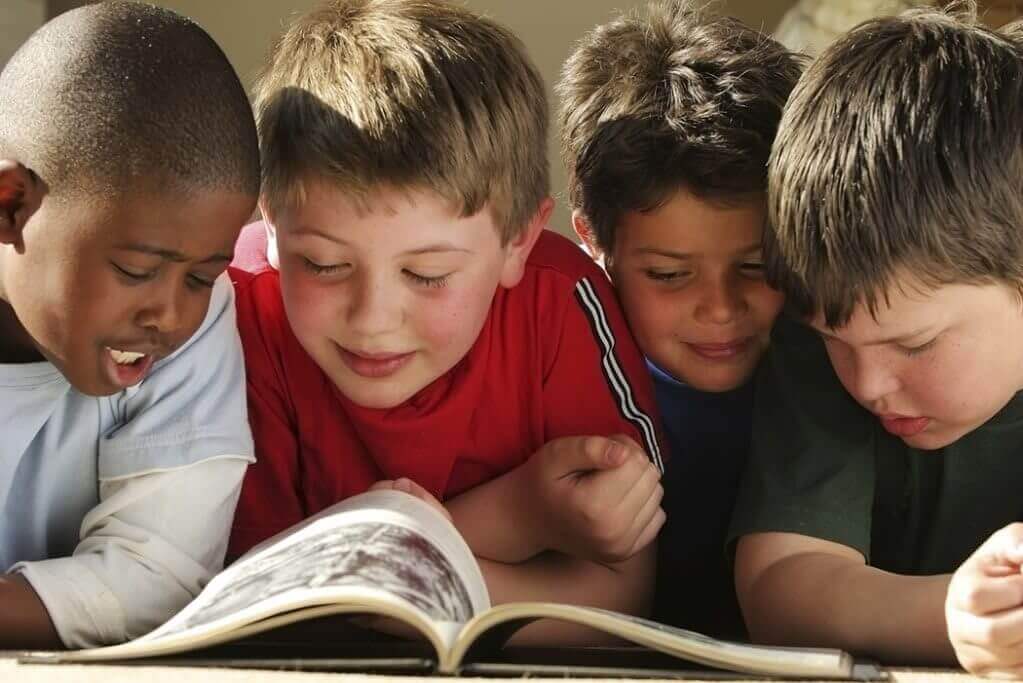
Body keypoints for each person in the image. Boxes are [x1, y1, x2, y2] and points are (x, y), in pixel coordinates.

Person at [228, 0, 665, 643]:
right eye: (322, 264)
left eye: (427, 275)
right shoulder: (238, 307)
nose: (372, 320)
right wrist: (516, 517)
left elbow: (626, 589)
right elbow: (250, 593)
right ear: (269, 223)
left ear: (517, 242)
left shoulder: (560, 300)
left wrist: (402, 580)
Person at [727, 2, 1023, 666]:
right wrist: (954, 614)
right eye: (834, 340)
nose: (866, 384)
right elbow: (781, 584)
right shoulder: (827, 336)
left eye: (914, 344)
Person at [0, 2, 260, 648]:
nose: (171, 315)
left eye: (201, 277)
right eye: (137, 269)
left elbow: (156, 578)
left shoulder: (196, 327)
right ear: (11, 206)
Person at [556, 0, 801, 637]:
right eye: (669, 274)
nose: (721, 309)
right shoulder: (557, 371)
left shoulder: (843, 366)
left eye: (757, 266)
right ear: (593, 243)